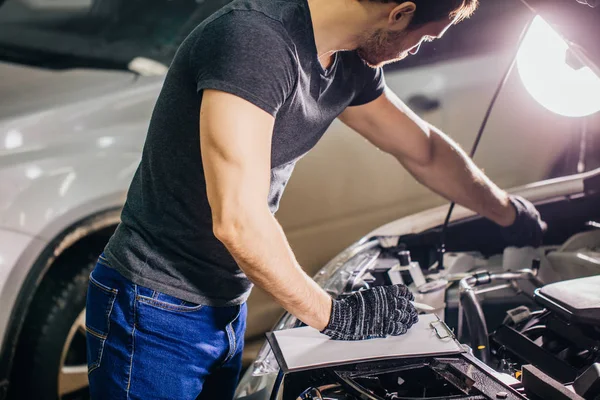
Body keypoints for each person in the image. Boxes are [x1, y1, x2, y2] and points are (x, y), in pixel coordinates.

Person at [85, 0, 546, 398]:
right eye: (425, 39)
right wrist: (333, 314)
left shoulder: (347, 61)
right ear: (400, 11)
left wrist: (506, 212)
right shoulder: (257, 42)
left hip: (225, 302)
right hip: (153, 308)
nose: (416, 50)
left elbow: (422, 149)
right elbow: (238, 221)